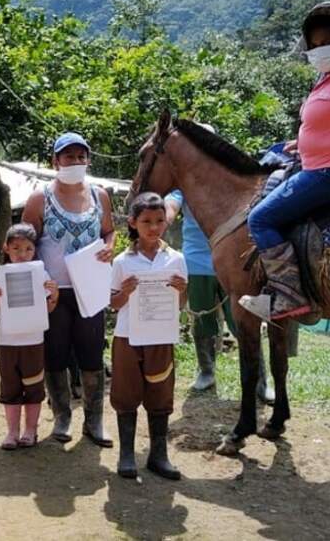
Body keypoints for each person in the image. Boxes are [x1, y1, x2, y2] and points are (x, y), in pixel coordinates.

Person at [240, 1, 330, 321]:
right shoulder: (327, 77)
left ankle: (288, 295)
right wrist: (302, 144)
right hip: (317, 163)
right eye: (315, 45)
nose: (318, 50)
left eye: (326, 43)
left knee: (260, 220)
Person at [22, 132, 115, 447]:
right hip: (53, 292)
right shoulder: (40, 198)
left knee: (91, 354)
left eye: (81, 156)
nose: (75, 162)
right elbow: (25, 244)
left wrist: (109, 248)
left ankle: (94, 420)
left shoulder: (100, 196)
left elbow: (109, 231)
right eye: (68, 156)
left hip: (90, 288)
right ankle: (62, 415)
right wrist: (40, 281)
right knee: (55, 354)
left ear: (88, 160)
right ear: (55, 161)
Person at [165, 189, 275, 402]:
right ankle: (206, 372)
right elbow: (171, 203)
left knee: (244, 322)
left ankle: (261, 381)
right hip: (196, 263)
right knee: (202, 320)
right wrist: (166, 214)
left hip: (233, 263)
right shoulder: (185, 186)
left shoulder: (227, 180)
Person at [109, 192, 187, 480]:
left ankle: (158, 454)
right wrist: (125, 293)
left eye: (159, 221)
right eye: (146, 221)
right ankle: (127, 454)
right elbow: (113, 303)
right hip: (128, 337)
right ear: (133, 222)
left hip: (160, 337)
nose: (153, 227)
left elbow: (180, 304)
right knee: (126, 393)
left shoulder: (176, 259)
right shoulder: (122, 262)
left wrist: (181, 291)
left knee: (160, 393)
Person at [0, 223, 59, 449]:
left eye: (28, 249)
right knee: (10, 386)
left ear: (35, 250)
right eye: (16, 248)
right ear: (6, 248)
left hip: (33, 340)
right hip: (7, 340)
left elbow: (48, 309)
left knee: (34, 386)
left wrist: (54, 294)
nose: (22, 254)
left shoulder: (41, 274)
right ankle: (11, 432)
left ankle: (31, 431)